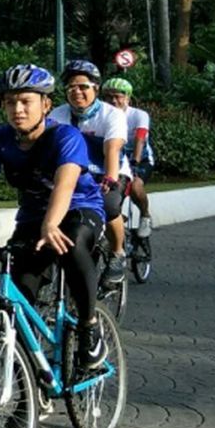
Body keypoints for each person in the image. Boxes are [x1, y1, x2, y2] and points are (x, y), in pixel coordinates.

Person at [0, 64, 109, 372]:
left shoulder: (65, 136)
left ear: (45, 104)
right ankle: (27, 396)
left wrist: (51, 223)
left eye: (26, 101)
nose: (18, 109)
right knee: (18, 308)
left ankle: (88, 326)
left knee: (72, 243)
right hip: (33, 218)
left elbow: (66, 183)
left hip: (80, 208)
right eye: (10, 102)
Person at [48, 60, 130, 283]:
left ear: (96, 88)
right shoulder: (58, 115)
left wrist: (110, 179)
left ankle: (118, 253)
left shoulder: (112, 114)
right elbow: (49, 151)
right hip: (73, 173)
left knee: (109, 204)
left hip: (109, 170)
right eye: (71, 87)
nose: (77, 92)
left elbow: (111, 149)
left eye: (83, 86)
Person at [101, 77, 153, 237]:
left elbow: (140, 138)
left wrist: (135, 161)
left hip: (139, 159)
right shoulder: (102, 114)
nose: (113, 101)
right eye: (109, 97)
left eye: (118, 96)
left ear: (128, 98)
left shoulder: (139, 115)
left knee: (136, 186)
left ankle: (145, 215)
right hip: (114, 158)